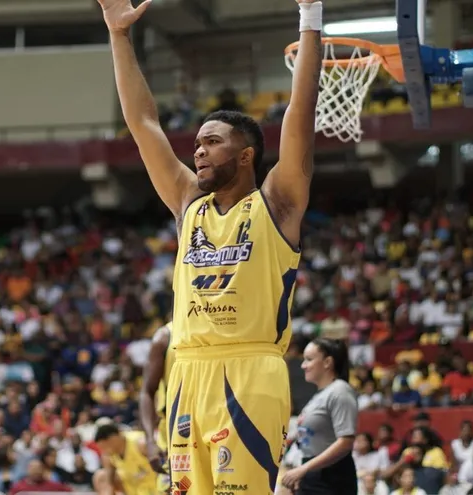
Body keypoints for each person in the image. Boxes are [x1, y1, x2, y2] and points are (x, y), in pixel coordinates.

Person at [97, 0, 321, 492]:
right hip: (187, 372)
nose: (197, 149)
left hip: (250, 371)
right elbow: (144, 124)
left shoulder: (278, 204)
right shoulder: (188, 204)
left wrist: (310, 16)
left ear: (245, 156)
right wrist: (118, 36)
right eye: (197, 142)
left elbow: (300, 114)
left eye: (212, 142)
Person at [281, 338, 357, 494]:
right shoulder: (319, 395)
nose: (303, 365)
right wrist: (301, 470)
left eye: (309, 359)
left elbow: (346, 441)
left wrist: (305, 469)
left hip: (332, 478)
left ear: (327, 362)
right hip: (312, 473)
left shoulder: (340, 391)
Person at [139, 322, 174, 493]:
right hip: (173, 432)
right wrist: (150, 440)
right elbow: (147, 391)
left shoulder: (219, 326)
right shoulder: (165, 336)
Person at [93, 423, 159, 495]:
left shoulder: (140, 443)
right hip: (134, 490)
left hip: (157, 489)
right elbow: (109, 484)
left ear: (113, 439)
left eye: (104, 447)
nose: (104, 451)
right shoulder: (109, 456)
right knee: (101, 476)